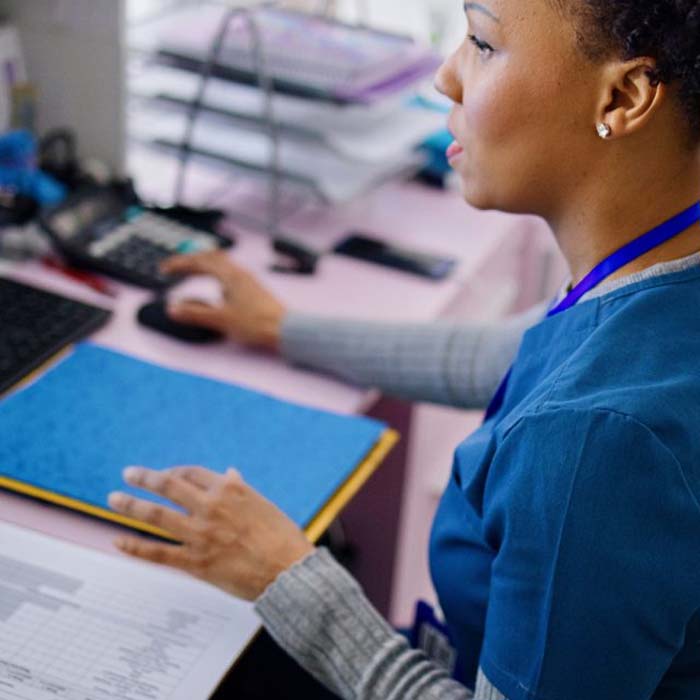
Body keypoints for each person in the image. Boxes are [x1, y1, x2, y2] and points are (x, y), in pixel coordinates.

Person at [108, 1, 700, 698]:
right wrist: (282, 328)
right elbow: (510, 358)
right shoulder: (657, 280)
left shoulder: (592, 443)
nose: (448, 77)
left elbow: (569, 407)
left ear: (624, 96)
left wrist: (287, 577)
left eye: (482, 44)